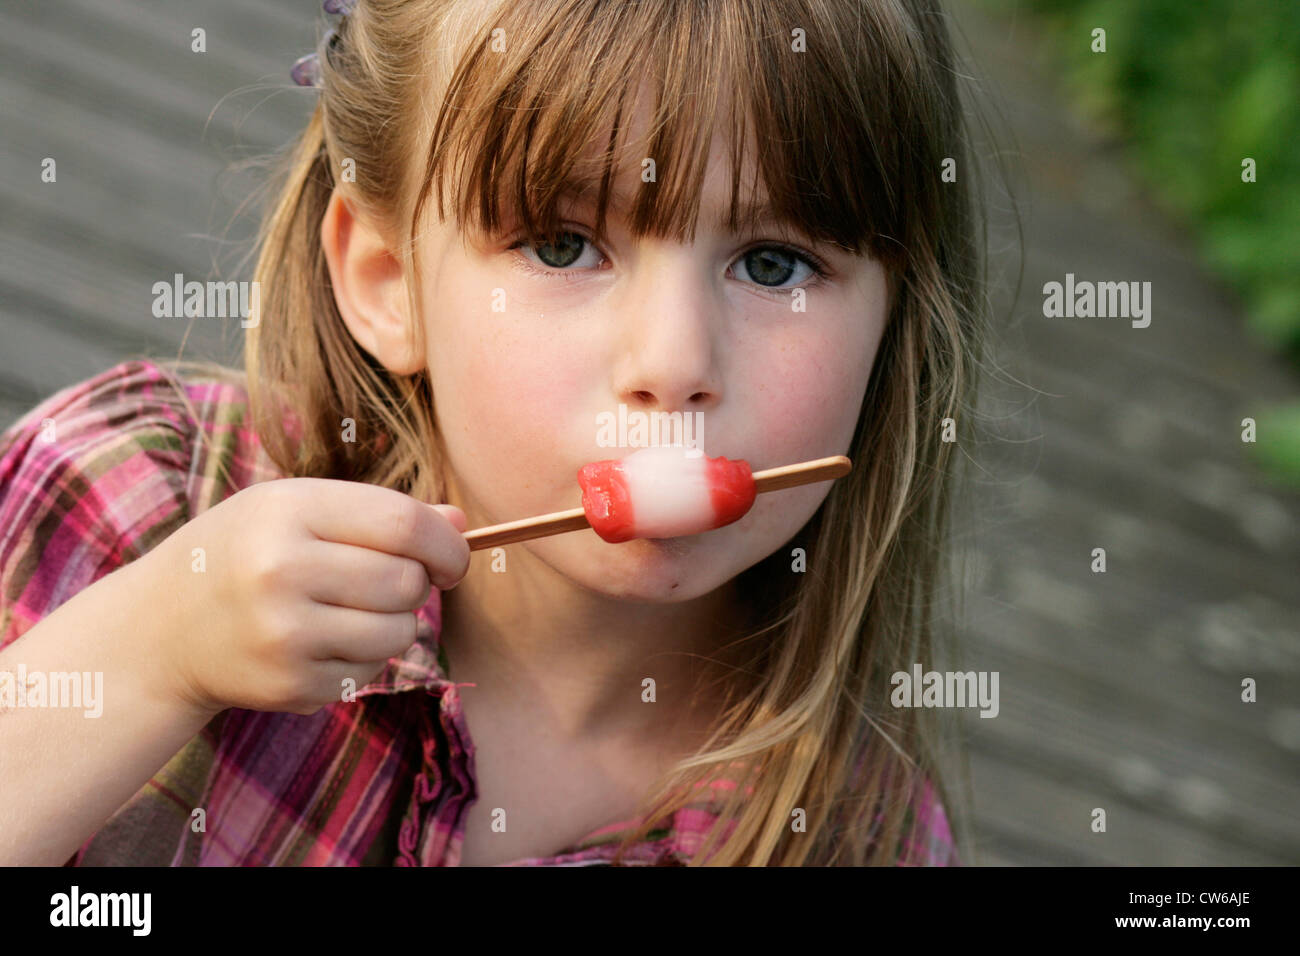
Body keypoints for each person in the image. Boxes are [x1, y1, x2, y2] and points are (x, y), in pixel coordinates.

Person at [0, 0, 985, 866]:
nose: (674, 362)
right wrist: (149, 654)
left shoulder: (857, 835)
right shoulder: (140, 497)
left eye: (774, 264)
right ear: (391, 283)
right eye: (563, 245)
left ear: (892, 319)